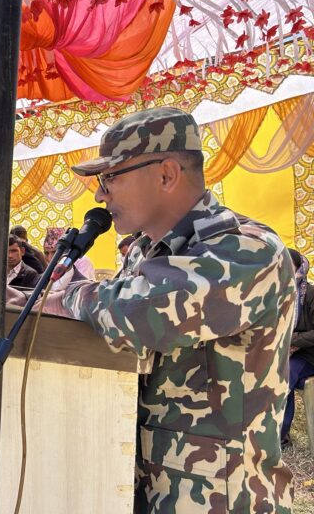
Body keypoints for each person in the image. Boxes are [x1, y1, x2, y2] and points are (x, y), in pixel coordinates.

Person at [21, 107, 295, 512]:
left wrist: (65, 297)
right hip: (140, 483)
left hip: (220, 497)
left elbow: (141, 313)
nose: (100, 195)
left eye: (111, 177)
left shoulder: (247, 250)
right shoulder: (145, 252)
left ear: (166, 174)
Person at [281, 248, 314, 448]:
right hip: (287, 353)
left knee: (285, 376)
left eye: (287, 266)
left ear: (299, 268)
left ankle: (278, 437)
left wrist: (291, 340)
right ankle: (276, 435)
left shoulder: (310, 294)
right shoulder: (276, 294)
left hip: (309, 355)